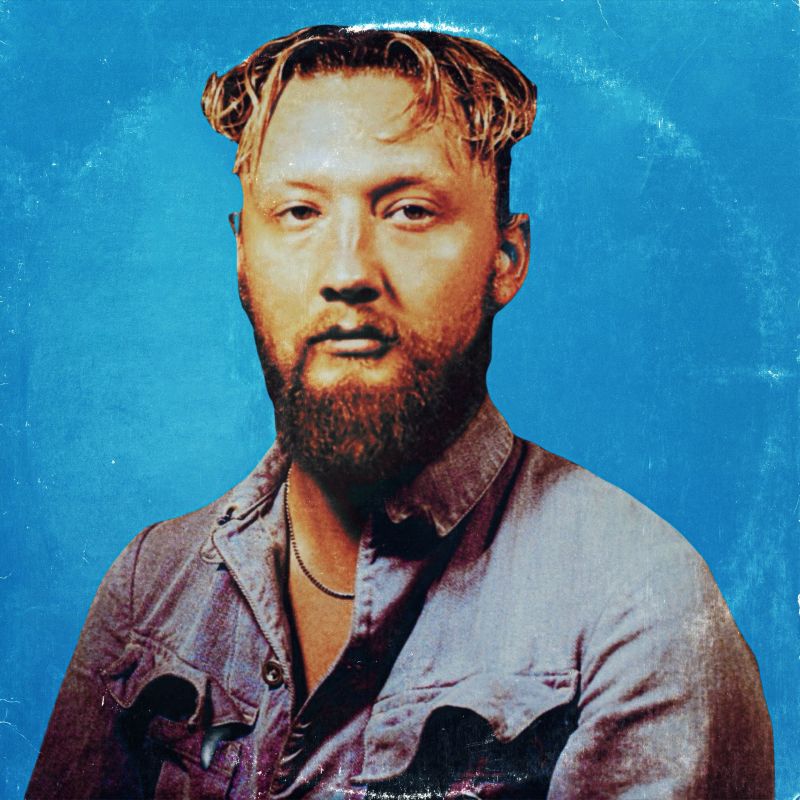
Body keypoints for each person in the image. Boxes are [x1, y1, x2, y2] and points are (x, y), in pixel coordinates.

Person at [27, 25, 773, 799]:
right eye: (299, 212)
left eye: (410, 210)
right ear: (242, 255)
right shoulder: (151, 583)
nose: (348, 270)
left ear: (506, 259)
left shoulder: (642, 613)